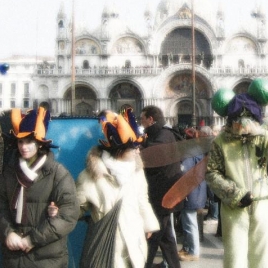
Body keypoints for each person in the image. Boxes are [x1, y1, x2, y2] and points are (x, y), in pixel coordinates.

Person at [206, 87, 268, 268]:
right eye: (240, 121)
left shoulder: (263, 137)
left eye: (249, 121)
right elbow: (211, 173)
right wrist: (236, 195)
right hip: (234, 206)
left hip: (261, 202)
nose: (245, 126)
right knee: (235, 256)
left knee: (261, 255)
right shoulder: (221, 141)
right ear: (232, 121)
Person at [0, 106, 79, 267]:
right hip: (14, 258)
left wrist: (33, 239)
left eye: (29, 142)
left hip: (47, 259)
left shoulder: (57, 174)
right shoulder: (9, 173)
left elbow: (68, 214)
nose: (24, 147)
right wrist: (8, 233)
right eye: (20, 142)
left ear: (39, 144)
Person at [76, 108, 160, 268]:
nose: (138, 151)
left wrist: (148, 223)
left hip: (134, 243)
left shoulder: (137, 171)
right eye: (133, 148)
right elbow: (75, 208)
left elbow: (142, 198)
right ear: (120, 150)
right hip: (107, 248)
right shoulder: (90, 176)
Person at [140, 105, 183, 268]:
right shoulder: (160, 134)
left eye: (143, 118)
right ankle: (173, 265)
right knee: (166, 237)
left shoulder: (164, 136)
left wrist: (140, 150)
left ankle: (145, 263)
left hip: (163, 194)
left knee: (154, 234)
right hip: (162, 192)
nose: (141, 121)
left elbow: (154, 158)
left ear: (151, 119)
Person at [177, 127, 208, 262]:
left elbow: (184, 171)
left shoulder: (189, 152)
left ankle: (193, 251)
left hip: (191, 191)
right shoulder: (199, 150)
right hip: (198, 190)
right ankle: (188, 247)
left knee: (189, 222)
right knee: (190, 220)